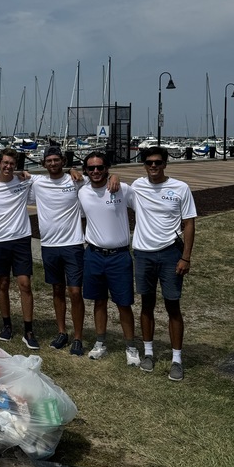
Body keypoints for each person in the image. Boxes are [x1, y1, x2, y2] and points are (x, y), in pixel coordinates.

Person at [131, 146, 197, 381]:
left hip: (170, 254)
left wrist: (185, 257)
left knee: (173, 306)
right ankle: (148, 353)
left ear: (165, 164)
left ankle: (177, 358)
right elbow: (107, 183)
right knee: (146, 304)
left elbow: (189, 223)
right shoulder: (138, 186)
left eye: (158, 162)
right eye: (149, 162)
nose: (154, 166)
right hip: (143, 254)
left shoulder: (180, 188)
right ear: (144, 165)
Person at [77, 151, 141, 366]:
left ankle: (131, 346)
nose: (96, 171)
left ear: (107, 169)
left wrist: (117, 177)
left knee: (124, 303)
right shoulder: (83, 192)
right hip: (94, 254)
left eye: (100, 168)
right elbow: (69, 175)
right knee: (99, 301)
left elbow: (143, 209)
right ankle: (100, 341)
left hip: (119, 256)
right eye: (91, 168)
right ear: (86, 170)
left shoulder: (121, 189)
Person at [28, 146, 87, 355]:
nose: (53, 163)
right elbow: (18, 176)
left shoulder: (76, 180)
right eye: (49, 161)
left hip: (73, 244)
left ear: (62, 161)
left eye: (56, 160)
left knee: (75, 292)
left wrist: (113, 175)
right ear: (44, 163)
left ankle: (78, 337)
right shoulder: (38, 182)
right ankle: (62, 332)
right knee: (57, 290)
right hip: (49, 245)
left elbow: (100, 179)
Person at [0, 147, 39, 347]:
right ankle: (7, 325)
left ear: (16, 166)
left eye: (12, 164)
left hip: (21, 239)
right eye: (5, 163)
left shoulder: (24, 182)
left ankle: (28, 330)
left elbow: (50, 179)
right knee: (2, 284)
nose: (8, 166)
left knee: (25, 284)